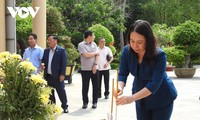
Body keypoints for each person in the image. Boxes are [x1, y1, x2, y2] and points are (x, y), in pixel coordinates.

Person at [114, 20, 177, 120]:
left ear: (148, 40)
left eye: (139, 42)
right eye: (132, 41)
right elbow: (123, 73)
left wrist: (131, 98)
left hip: (161, 96)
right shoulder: (127, 51)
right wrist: (120, 86)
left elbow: (154, 84)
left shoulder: (159, 55)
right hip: (140, 97)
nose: (135, 45)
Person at [41, 34, 69, 113]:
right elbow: (43, 60)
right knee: (50, 93)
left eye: (50, 40)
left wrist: (63, 74)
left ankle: (65, 106)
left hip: (58, 76)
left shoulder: (61, 50)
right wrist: (43, 64)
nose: (48, 41)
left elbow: (64, 63)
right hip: (48, 76)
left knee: (61, 92)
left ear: (55, 41)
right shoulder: (46, 51)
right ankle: (52, 108)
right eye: (48, 40)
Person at [78, 30, 99, 109]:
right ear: (89, 36)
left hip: (95, 68)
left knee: (96, 86)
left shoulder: (94, 44)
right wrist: (95, 53)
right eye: (93, 36)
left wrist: (95, 64)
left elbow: (98, 55)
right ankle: (85, 102)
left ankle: (94, 102)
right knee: (85, 87)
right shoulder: (81, 45)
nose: (94, 37)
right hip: (85, 69)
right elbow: (86, 55)